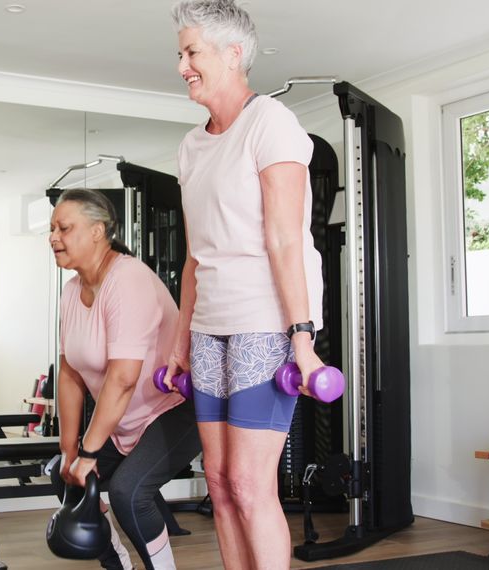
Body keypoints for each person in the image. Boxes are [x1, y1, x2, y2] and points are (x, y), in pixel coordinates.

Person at [165, 1, 328, 568]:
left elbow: (285, 240)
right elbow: (194, 256)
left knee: (249, 482)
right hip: (210, 326)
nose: (182, 64)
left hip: (264, 321)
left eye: (192, 52)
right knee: (218, 480)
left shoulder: (271, 124)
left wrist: (302, 340)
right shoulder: (191, 146)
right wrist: (179, 338)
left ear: (233, 54)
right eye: (181, 53)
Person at [49, 189, 202, 570]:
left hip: (172, 410)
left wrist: (88, 453)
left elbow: (123, 378)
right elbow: (70, 374)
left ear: (98, 231)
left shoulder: (128, 279)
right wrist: (70, 450)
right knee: (65, 477)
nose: (53, 237)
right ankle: (118, 566)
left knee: (129, 493)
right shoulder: (71, 292)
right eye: (51, 229)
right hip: (121, 420)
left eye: (64, 228)